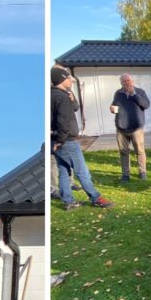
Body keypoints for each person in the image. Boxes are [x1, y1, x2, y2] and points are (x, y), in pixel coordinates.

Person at [50, 65, 115, 212]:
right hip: (66, 142)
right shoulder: (61, 97)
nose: (71, 81)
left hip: (56, 141)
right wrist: (60, 140)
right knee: (82, 171)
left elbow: (73, 108)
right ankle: (96, 198)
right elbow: (63, 121)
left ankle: (68, 201)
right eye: (68, 78)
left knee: (64, 171)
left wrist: (56, 140)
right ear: (62, 79)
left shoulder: (53, 95)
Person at [111, 74, 150, 182]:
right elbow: (115, 105)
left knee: (140, 151)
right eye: (124, 81)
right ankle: (125, 175)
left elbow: (146, 105)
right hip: (121, 128)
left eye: (128, 80)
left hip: (136, 128)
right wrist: (112, 108)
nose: (126, 83)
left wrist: (133, 94)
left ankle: (142, 172)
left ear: (132, 81)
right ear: (121, 83)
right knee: (123, 152)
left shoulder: (140, 92)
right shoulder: (118, 93)